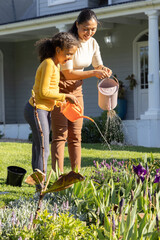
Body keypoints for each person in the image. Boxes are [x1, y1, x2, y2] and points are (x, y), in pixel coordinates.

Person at [51, 9, 112, 174]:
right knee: (60, 135)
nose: (89, 33)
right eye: (86, 28)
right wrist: (93, 72)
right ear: (77, 25)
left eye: (93, 29)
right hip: (59, 90)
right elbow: (67, 73)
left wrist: (103, 70)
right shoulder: (68, 42)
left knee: (75, 135)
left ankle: (75, 175)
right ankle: (58, 177)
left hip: (77, 89)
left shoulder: (93, 43)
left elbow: (98, 66)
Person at [24, 32, 79, 178]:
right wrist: (66, 95)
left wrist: (60, 102)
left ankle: (37, 184)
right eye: (68, 54)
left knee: (38, 146)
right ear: (58, 50)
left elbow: (50, 90)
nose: (69, 58)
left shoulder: (55, 65)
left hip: (42, 109)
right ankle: (41, 188)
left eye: (72, 55)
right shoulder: (48, 64)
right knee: (43, 148)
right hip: (37, 109)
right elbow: (43, 92)